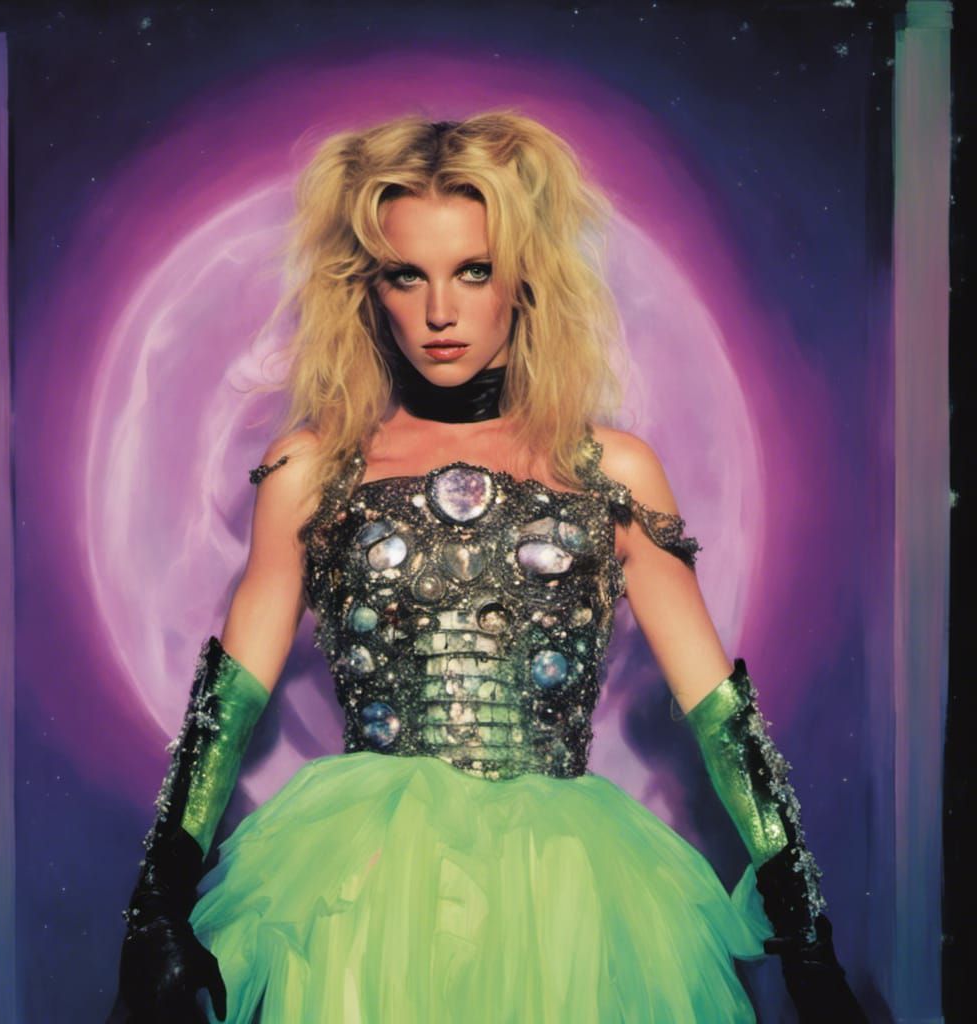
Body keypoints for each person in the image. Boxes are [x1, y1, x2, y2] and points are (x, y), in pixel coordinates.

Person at [108, 112, 866, 1022]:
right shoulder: (310, 470)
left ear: (524, 276)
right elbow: (228, 704)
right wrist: (157, 904)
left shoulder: (612, 472)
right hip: (361, 892)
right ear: (369, 286)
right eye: (406, 274)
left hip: (568, 895)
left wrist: (807, 935)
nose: (441, 311)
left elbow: (720, 717)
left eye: (474, 270)